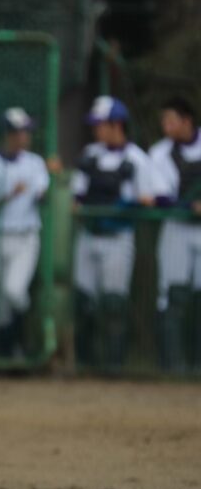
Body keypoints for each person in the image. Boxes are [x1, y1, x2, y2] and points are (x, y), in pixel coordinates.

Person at [71, 95, 156, 369]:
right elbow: (77, 194)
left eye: (101, 124)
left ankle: (114, 365)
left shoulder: (137, 159)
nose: (97, 129)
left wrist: (129, 205)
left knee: (113, 303)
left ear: (117, 124)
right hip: (88, 235)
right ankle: (86, 362)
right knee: (83, 300)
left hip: (118, 238)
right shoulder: (90, 154)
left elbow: (149, 198)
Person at [0, 107, 50, 357]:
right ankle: (7, 353)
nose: (24, 136)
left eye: (26, 131)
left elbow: (43, 196)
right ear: (6, 133)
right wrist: (9, 195)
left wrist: (53, 181)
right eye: (19, 131)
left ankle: (30, 331)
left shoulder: (35, 163)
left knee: (14, 291)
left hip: (25, 236)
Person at [149, 96, 201, 372]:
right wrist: (190, 206)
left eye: (171, 121)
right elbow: (160, 197)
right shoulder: (159, 152)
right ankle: (170, 367)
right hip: (176, 227)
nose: (166, 127)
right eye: (163, 122)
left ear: (187, 121)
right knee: (171, 294)